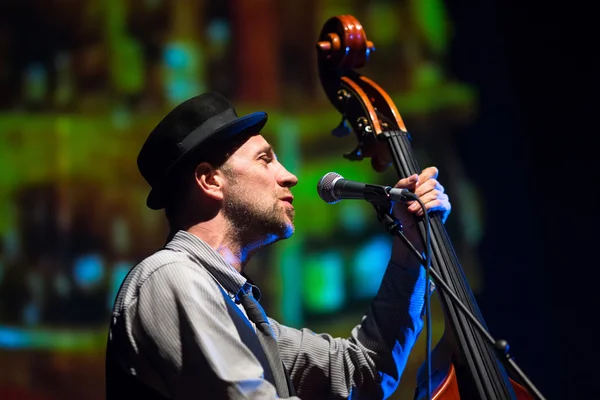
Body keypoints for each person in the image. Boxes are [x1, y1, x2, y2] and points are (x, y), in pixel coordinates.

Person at [105, 91, 451, 399]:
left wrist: (412, 251)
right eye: (265, 159)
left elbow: (358, 372)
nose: (289, 176)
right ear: (210, 180)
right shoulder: (171, 278)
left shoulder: (242, 315)